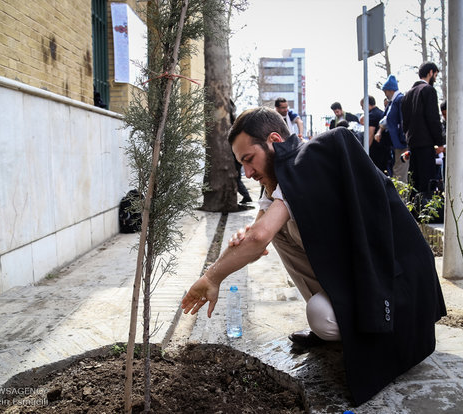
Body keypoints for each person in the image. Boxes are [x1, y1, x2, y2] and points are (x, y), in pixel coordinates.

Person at [181, 107, 446, 405]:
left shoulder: (306, 163)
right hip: (366, 277)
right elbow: (258, 238)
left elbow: (258, 239)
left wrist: (211, 277)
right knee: (278, 230)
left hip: (399, 287)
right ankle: (346, 321)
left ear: (274, 140)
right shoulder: (282, 182)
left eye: (249, 159)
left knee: (320, 315)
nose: (248, 173)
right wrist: (248, 239)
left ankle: (358, 330)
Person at [401, 62, 445, 195]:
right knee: (427, 183)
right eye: (435, 75)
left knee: (414, 182)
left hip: (412, 144)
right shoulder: (428, 90)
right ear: (430, 72)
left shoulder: (407, 94)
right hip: (426, 144)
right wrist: (440, 142)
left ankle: (414, 212)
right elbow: (433, 119)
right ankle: (425, 213)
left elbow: (405, 122)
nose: (435, 79)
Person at [376, 74, 408, 182]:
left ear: (390, 90)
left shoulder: (400, 100)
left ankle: (401, 197)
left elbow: (403, 120)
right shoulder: (393, 102)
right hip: (396, 143)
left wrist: (403, 138)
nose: (385, 94)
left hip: (401, 143)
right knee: (398, 169)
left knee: (400, 171)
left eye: (385, 91)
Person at [361, 95, 389, 174]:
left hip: (375, 150)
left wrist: (365, 150)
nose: (362, 109)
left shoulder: (372, 115)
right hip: (384, 148)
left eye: (362, 106)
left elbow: (370, 134)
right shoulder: (380, 112)